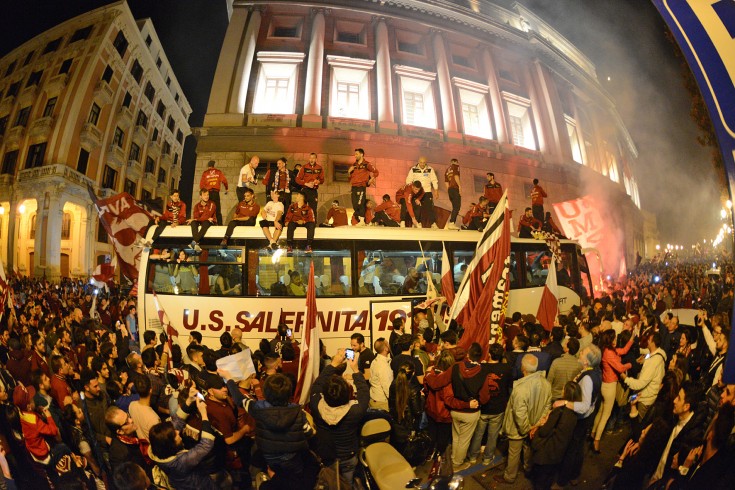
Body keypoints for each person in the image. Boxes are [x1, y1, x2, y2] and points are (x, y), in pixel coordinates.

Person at [226, 373, 317, 487]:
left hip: (270, 458)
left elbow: (239, 399)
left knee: (274, 481)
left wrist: (229, 379)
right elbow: (309, 433)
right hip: (292, 458)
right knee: (294, 482)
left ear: (266, 393)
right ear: (289, 393)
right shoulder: (298, 412)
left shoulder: (257, 408)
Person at [310, 348, 369, 485]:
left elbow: (317, 385)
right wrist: (355, 370)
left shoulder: (316, 405)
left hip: (326, 458)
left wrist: (333, 364)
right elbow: (364, 393)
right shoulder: (355, 410)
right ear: (347, 394)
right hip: (348, 458)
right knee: (347, 485)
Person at [148, 384, 219, 489]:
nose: (178, 432)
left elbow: (177, 421)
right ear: (170, 444)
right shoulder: (180, 463)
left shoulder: (159, 446)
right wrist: (204, 414)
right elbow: (206, 444)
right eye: (175, 435)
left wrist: (189, 400)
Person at [494, 354, 551, 484]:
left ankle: (509, 476)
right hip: (534, 425)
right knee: (528, 449)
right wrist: (537, 424)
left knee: (514, 453)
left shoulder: (520, 389)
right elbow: (548, 405)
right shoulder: (546, 383)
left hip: (519, 428)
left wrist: (526, 429)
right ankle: (528, 469)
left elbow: (520, 414)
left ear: (523, 368)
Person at [556, 345, 602, 487]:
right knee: (577, 446)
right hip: (588, 417)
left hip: (581, 419)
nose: (580, 352)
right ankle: (574, 474)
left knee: (572, 449)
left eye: (583, 353)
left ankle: (564, 478)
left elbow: (584, 406)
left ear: (587, 361)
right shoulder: (593, 371)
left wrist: (564, 402)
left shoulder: (588, 379)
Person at [530, 381, 581, 490]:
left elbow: (544, 432)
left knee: (540, 481)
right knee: (549, 478)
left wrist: (540, 425)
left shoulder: (559, 411)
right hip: (560, 452)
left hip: (547, 451)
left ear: (566, 393)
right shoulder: (575, 414)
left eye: (563, 389)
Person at [467, 343, 510, 467]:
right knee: (493, 435)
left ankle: (473, 456)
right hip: (498, 407)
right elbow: (509, 385)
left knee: (478, 433)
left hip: (483, 405)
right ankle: (487, 458)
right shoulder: (506, 368)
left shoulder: (481, 367)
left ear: (489, 354)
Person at [592, 328, 634, 451]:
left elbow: (623, 350)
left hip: (604, 384)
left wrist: (631, 340)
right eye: (614, 338)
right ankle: (597, 441)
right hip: (610, 386)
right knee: (606, 415)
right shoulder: (609, 353)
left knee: (600, 411)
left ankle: (593, 433)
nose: (616, 340)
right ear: (610, 339)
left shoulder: (607, 350)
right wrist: (630, 364)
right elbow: (620, 368)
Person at [621, 332, 667, 421]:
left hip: (645, 400)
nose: (647, 341)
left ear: (653, 343)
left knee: (638, 424)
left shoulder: (652, 362)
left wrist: (625, 378)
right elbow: (650, 353)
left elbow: (640, 384)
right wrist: (644, 358)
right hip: (653, 396)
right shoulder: (661, 353)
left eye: (649, 340)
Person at [388, 361, 424, 453]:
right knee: (407, 450)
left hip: (395, 421)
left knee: (397, 448)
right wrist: (422, 398)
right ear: (413, 373)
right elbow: (417, 411)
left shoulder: (393, 385)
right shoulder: (413, 389)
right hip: (409, 424)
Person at [105, 405, 150, 475]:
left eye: (128, 415)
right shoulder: (121, 454)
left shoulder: (130, 434)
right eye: (127, 422)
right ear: (120, 431)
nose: (131, 420)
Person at [348, 148, 379, 226]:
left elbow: (376, 172)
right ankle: (360, 219)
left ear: (361, 154)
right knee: (355, 205)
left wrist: (372, 178)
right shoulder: (354, 165)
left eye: (357, 154)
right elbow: (350, 178)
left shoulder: (367, 164)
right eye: (355, 154)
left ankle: (362, 220)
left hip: (361, 186)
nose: (355, 156)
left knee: (360, 203)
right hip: (353, 187)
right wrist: (349, 172)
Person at [406, 157, 439, 228]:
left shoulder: (430, 169)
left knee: (430, 207)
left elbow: (434, 180)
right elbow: (408, 180)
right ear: (418, 161)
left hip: (427, 191)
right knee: (417, 207)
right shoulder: (413, 169)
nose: (422, 164)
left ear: (426, 162)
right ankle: (417, 223)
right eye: (421, 162)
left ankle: (433, 223)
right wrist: (411, 190)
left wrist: (436, 190)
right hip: (417, 192)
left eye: (424, 162)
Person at [200, 160, 229, 226]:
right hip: (216, 193)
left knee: (208, 209)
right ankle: (220, 224)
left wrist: (203, 194)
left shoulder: (205, 173)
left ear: (208, 166)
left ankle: (208, 223)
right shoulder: (218, 172)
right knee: (217, 209)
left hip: (208, 194)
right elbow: (224, 181)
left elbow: (201, 185)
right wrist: (226, 189)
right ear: (213, 165)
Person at [295, 152, 325, 217]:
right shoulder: (304, 167)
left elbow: (322, 180)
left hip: (313, 191)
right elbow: (297, 179)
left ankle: (313, 225)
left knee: (313, 209)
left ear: (316, 159)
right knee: (302, 208)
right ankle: (301, 224)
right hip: (304, 190)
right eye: (310, 158)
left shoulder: (319, 168)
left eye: (313, 158)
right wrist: (306, 184)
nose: (311, 160)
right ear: (309, 159)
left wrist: (318, 181)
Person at [369, 338, 393, 410]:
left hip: (374, 399)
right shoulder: (383, 366)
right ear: (385, 348)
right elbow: (387, 386)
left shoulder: (375, 361)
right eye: (388, 344)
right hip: (382, 403)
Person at [444, 158, 462, 229]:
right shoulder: (456, 167)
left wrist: (449, 190)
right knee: (457, 207)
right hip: (455, 189)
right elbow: (456, 176)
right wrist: (460, 186)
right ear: (456, 162)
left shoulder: (447, 170)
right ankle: (451, 223)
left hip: (450, 190)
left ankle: (451, 223)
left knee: (455, 207)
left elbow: (446, 182)